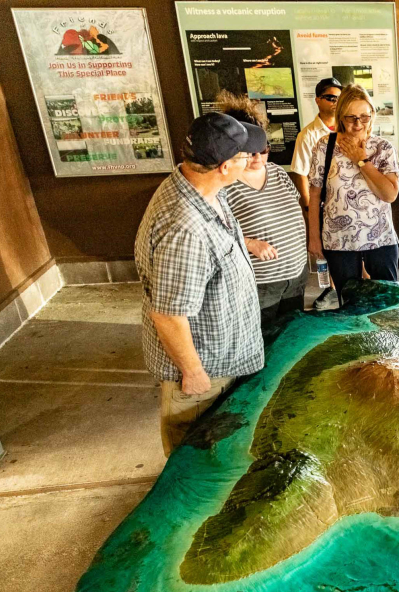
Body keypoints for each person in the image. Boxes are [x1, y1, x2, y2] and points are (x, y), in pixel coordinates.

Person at [134, 112, 268, 456]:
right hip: (204, 371)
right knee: (193, 455)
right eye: (244, 156)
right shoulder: (185, 227)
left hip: (223, 357)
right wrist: (192, 372)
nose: (252, 160)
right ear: (224, 166)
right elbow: (167, 314)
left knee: (220, 448)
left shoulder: (204, 186)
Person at [216, 92, 309, 330]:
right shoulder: (225, 183)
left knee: (292, 335)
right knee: (263, 337)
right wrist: (249, 243)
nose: (258, 157)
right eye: (250, 151)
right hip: (261, 282)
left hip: (296, 273)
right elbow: (214, 233)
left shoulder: (278, 173)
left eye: (264, 149)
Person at [308, 84, 399, 299]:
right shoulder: (325, 146)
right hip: (339, 239)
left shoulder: (383, 148)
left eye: (364, 117)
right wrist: (314, 237)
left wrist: (361, 160)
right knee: (350, 302)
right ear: (341, 116)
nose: (358, 124)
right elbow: (314, 196)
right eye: (351, 118)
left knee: (386, 301)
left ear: (372, 115)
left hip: (380, 238)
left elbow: (389, 194)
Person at [289, 77, 342, 210]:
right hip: (323, 201)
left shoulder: (348, 128)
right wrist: (308, 207)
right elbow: (301, 174)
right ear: (318, 100)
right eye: (330, 98)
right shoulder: (308, 135)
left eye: (339, 98)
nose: (336, 102)